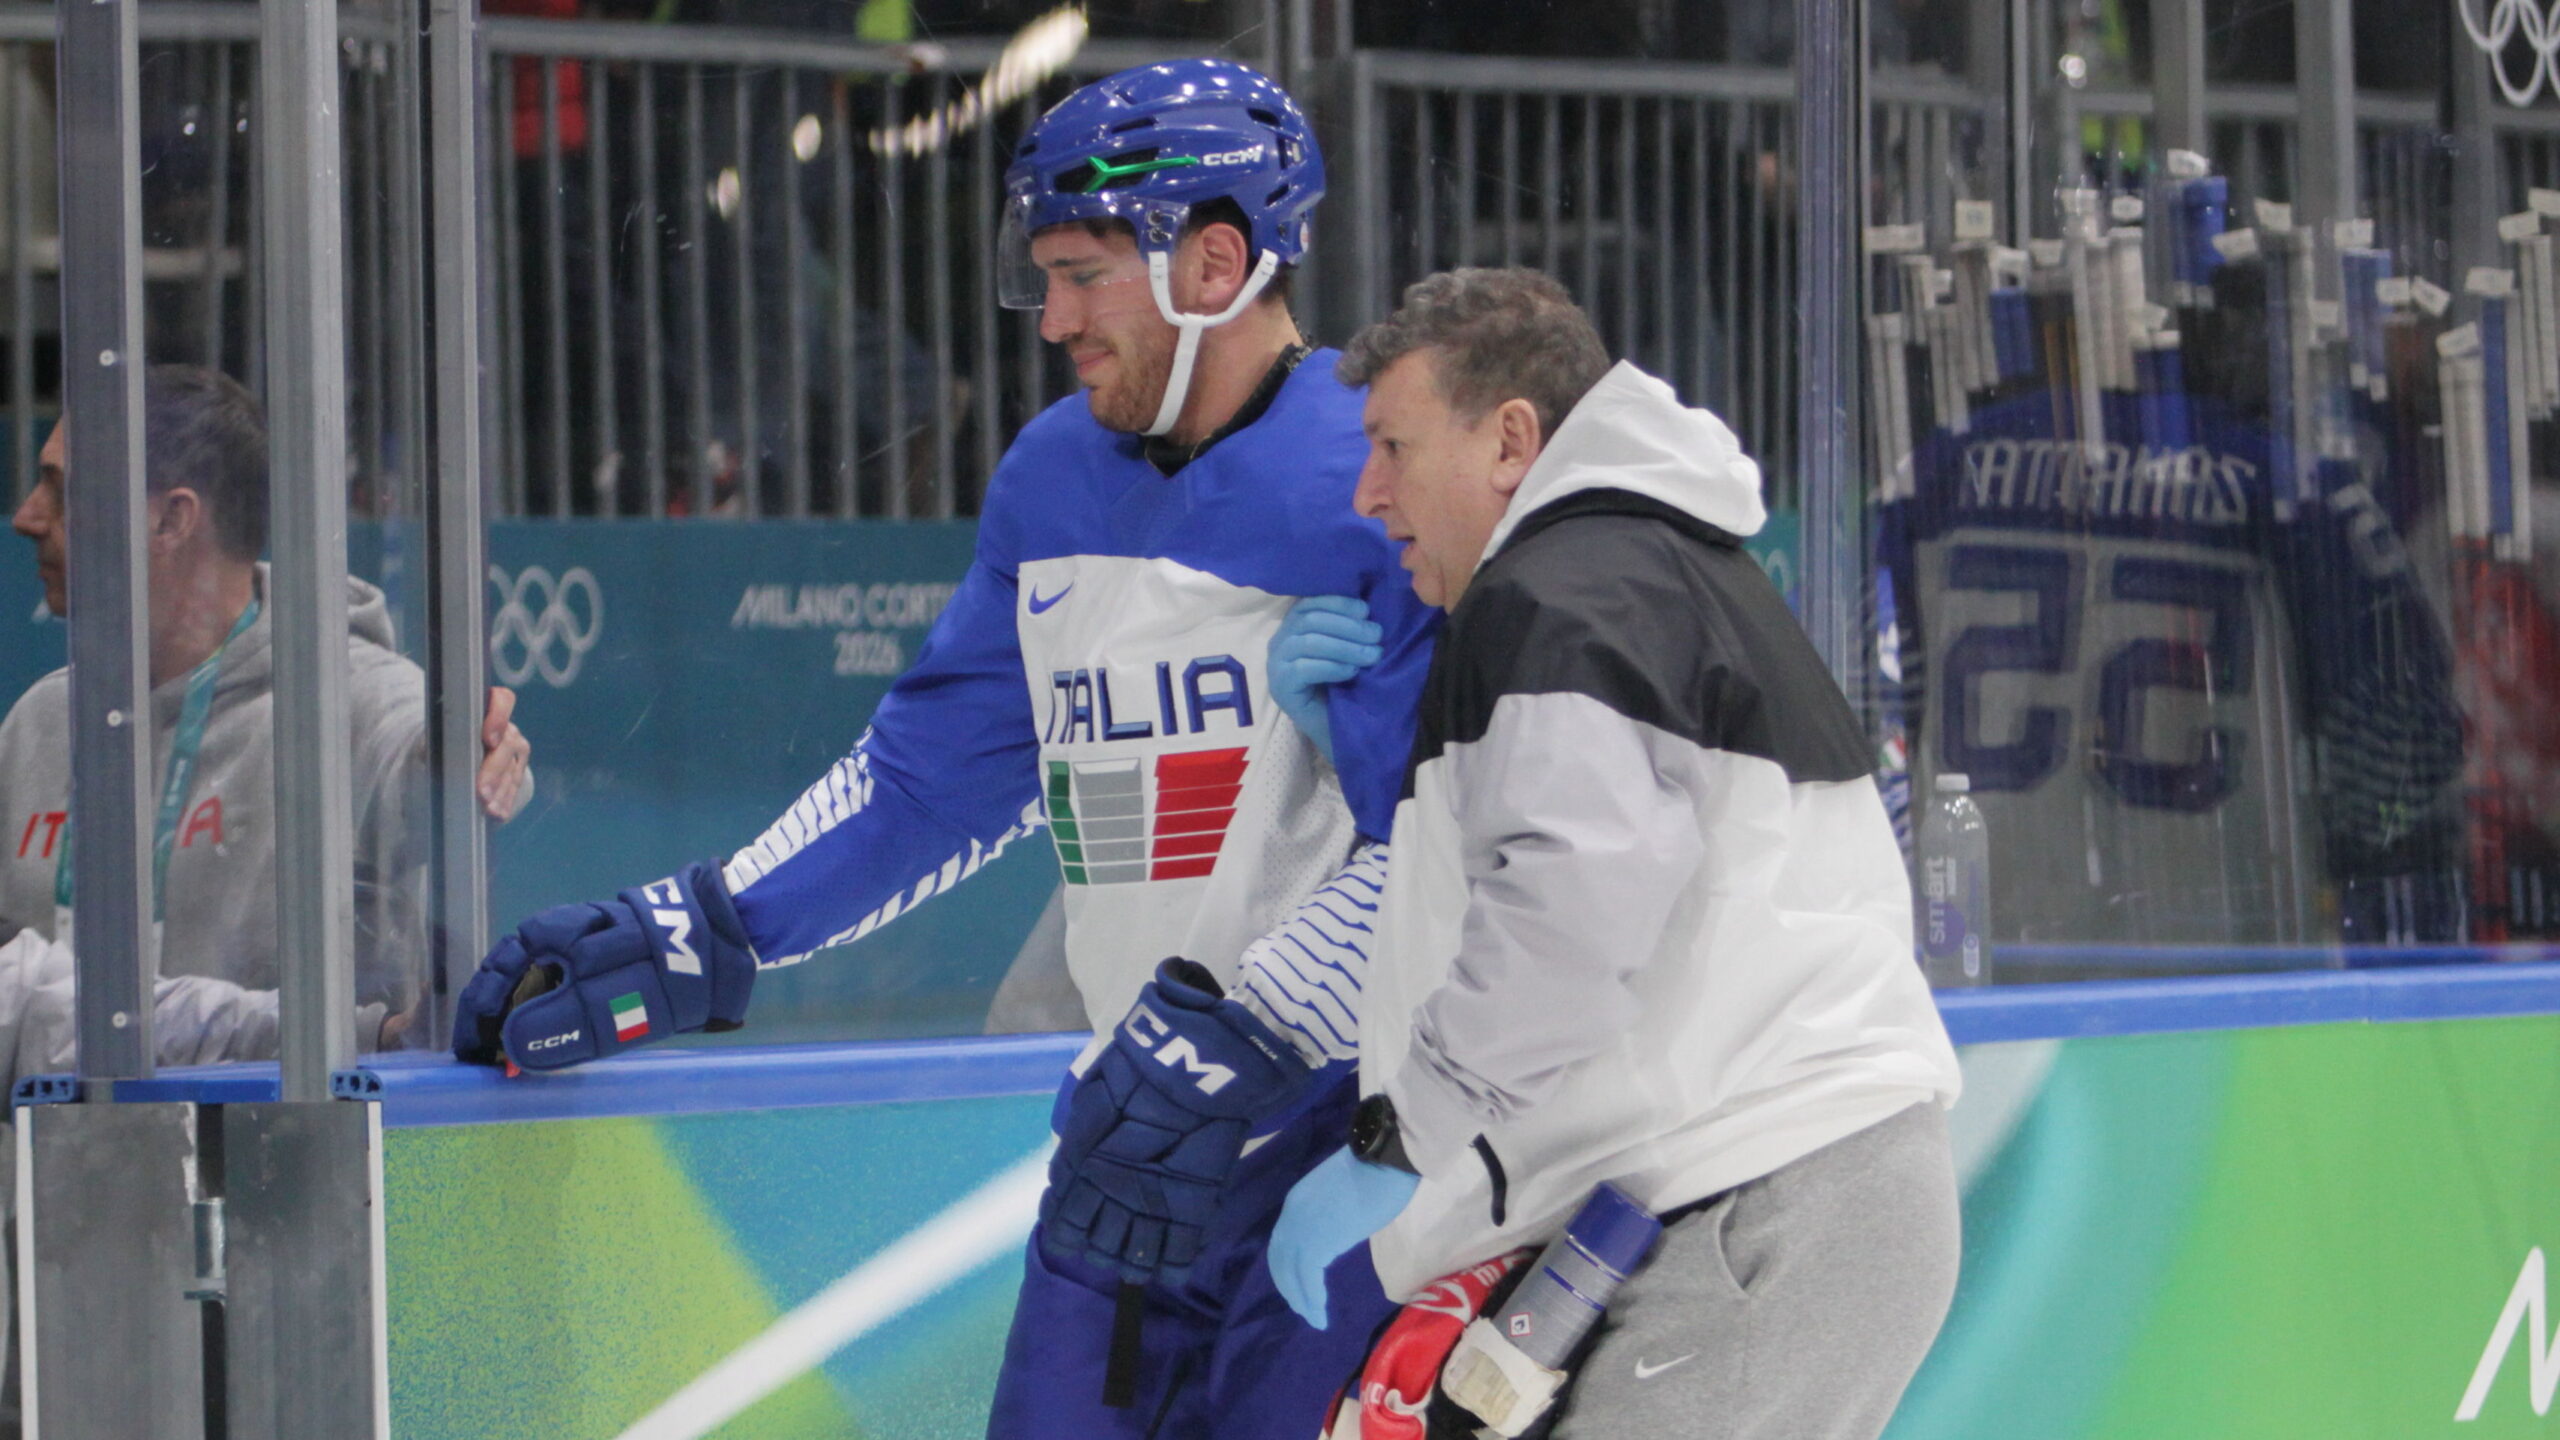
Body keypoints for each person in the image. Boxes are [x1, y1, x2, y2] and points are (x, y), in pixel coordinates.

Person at [447, 60, 1441, 1439]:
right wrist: (710, 927)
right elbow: (926, 781)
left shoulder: (1385, 476)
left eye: (1084, 276)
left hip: (1342, 1150)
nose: (1055, 320)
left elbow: (1447, 849)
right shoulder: (1051, 473)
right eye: (1045, 278)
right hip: (1127, 1143)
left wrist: (1256, 1036)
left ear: (1216, 264)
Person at [1263, 268, 1964, 1439]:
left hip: (1758, 1202)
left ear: (1509, 440)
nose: (1369, 492)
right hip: (1764, 1201)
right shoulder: (1629, 572)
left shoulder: (1563, 593)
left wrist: (1401, 1143)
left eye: (1392, 446)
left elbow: (1570, 906)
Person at [1, 363, 534, 1063]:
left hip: (298, 1133)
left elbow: (426, 762)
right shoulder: (39, 720)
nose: (27, 518)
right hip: (60, 1136)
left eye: (63, 491)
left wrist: (465, 750)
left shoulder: (343, 698)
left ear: (172, 519)